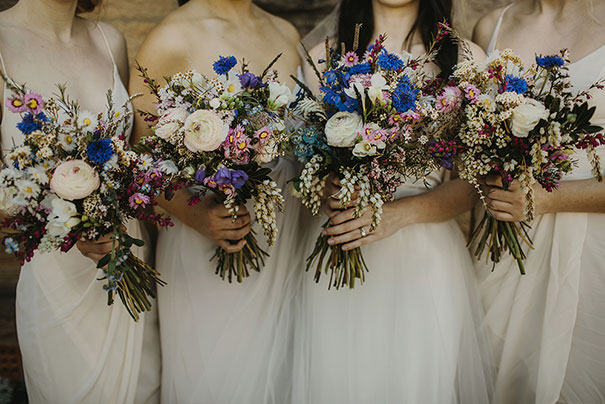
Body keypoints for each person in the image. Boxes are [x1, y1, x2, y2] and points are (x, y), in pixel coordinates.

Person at [292, 1, 494, 403]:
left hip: (423, 261)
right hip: (340, 249)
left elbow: (476, 185)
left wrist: (396, 215)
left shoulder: (465, 58)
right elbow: (302, 163)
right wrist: (329, 186)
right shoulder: (324, 56)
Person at [130, 1, 308, 403]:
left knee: (278, 373)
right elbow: (140, 161)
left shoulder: (286, 33)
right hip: (206, 243)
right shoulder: (168, 38)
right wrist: (198, 216)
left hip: (283, 242)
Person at [0, 0, 160, 403]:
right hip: (56, 280)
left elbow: (129, 155)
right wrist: (62, 218)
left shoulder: (110, 40)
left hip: (127, 262)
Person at [472, 1, 605, 403]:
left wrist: (545, 198)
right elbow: (471, 149)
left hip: (590, 254)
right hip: (500, 248)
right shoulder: (490, 26)